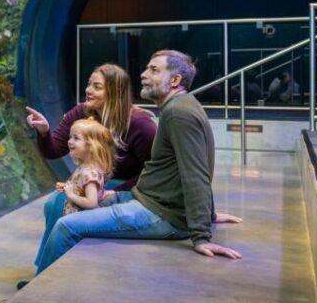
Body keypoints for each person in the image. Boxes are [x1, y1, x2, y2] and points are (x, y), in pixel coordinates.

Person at [35, 50, 242, 276]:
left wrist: (201, 233)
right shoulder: (177, 108)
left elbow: (195, 173)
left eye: (154, 70)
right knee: (59, 201)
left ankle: (41, 289)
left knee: (67, 226)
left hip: (160, 213)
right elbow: (186, 167)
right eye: (146, 68)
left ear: (175, 80)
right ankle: (51, 274)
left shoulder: (176, 114)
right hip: (147, 198)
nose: (143, 74)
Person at [25, 63, 156, 272]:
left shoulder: (141, 124)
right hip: (97, 183)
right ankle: (47, 267)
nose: (88, 90)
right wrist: (44, 132)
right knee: (54, 203)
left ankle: (53, 268)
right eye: (88, 84)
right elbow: (54, 150)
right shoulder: (81, 112)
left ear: (114, 92)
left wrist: (117, 191)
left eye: (97, 86)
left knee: (62, 203)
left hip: (129, 187)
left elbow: (153, 170)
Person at [59, 118, 116, 216]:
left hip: (79, 221)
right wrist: (68, 188)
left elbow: (91, 203)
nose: (69, 141)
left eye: (76, 138)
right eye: (70, 136)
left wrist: (71, 195)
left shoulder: (89, 173)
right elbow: (83, 191)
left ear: (91, 146)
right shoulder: (85, 167)